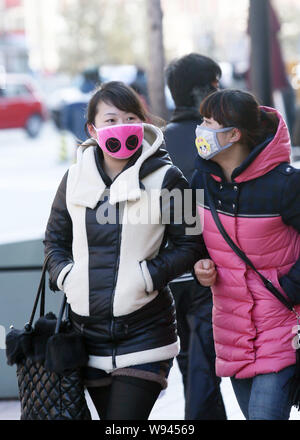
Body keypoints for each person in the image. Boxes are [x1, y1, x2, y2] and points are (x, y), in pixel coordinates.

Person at [43, 81, 204, 420]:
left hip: (146, 333)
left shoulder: (169, 178)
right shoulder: (73, 178)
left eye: (130, 117)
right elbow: (54, 241)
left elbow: (192, 243)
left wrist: (147, 276)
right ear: (92, 128)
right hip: (86, 336)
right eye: (110, 120)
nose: (121, 128)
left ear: (142, 124)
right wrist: (67, 277)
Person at [192, 88, 300, 420]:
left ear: (233, 134)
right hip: (233, 332)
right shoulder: (198, 181)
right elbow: (188, 240)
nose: (201, 129)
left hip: (283, 326)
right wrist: (199, 266)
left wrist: (289, 287)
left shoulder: (287, 185)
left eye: (209, 121)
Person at [164, 53, 227, 420]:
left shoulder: (156, 145)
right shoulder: (217, 142)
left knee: (194, 369)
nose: (220, 91)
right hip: (212, 274)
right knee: (203, 373)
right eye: (215, 84)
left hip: (168, 277)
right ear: (201, 90)